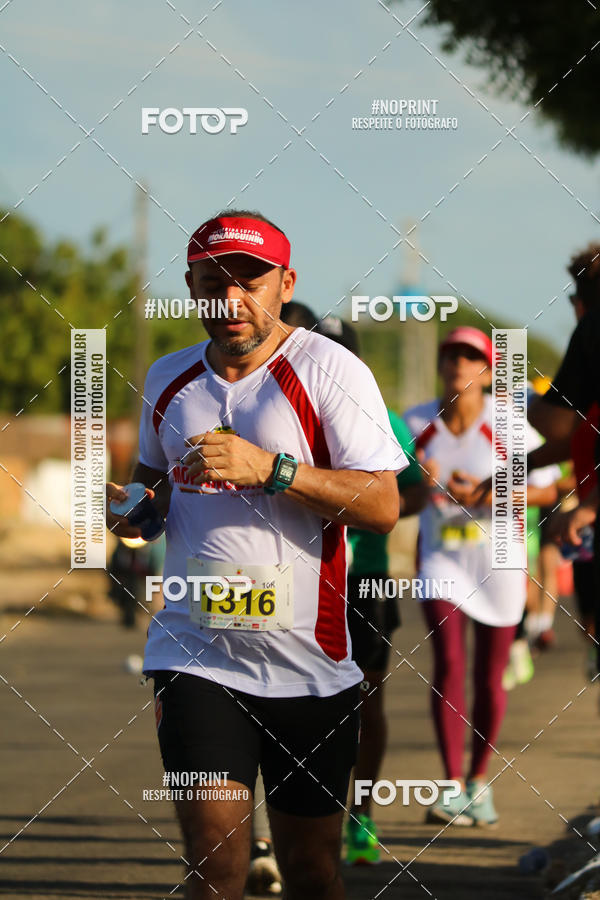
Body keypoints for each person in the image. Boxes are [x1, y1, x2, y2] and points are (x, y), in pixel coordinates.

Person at [105, 209, 405, 900]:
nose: (232, 299)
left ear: (285, 282)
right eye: (214, 282)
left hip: (310, 666)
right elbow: (150, 486)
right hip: (193, 654)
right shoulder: (168, 377)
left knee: (310, 871)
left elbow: (383, 507)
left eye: (251, 280)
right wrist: (134, 511)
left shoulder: (331, 370)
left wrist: (271, 469)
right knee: (215, 872)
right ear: (191, 286)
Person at [404, 326, 557, 826]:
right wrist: (416, 481)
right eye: (451, 357)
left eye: (471, 358)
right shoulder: (414, 423)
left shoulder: (510, 424)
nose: (458, 366)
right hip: (441, 557)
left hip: (500, 559)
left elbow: (550, 489)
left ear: (489, 372)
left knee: (490, 677)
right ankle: (450, 785)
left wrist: (495, 494)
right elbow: (388, 492)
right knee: (448, 662)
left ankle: (478, 781)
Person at [318, 314, 427, 863]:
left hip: (366, 579)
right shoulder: (288, 408)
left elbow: (418, 489)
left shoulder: (383, 418)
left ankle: (362, 812)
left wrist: (373, 509)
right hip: (308, 575)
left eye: (339, 355)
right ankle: (309, 817)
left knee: (367, 698)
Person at [527, 244, 600, 673]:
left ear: (579, 302)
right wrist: (524, 464)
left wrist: (587, 508)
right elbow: (578, 434)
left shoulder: (592, 326)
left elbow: (559, 423)